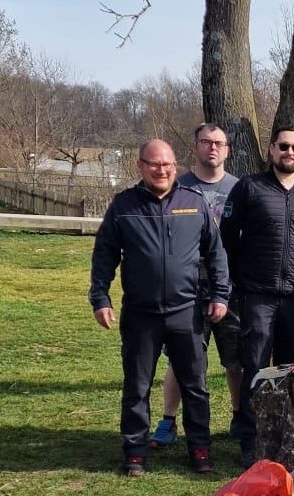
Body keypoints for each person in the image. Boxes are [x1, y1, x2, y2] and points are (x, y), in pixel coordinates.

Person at [89, 138, 229, 477]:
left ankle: (199, 450)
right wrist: (100, 298)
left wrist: (220, 295)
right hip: (140, 314)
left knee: (195, 385)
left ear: (175, 166)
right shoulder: (124, 205)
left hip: (186, 311)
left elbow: (217, 253)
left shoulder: (193, 203)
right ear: (141, 166)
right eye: (153, 164)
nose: (161, 169)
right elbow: (105, 253)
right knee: (137, 385)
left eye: (167, 164)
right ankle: (135, 452)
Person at [220, 126, 294, 468]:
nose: (290, 152)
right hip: (257, 295)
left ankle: (282, 438)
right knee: (254, 365)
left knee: (287, 369)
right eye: (284, 146)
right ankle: (251, 440)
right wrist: (240, 280)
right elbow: (226, 237)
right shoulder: (249, 188)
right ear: (271, 149)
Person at [150, 123, 241, 448]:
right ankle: (168, 420)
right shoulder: (176, 187)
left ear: (227, 149)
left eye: (218, 143)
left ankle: (238, 416)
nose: (212, 148)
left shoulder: (239, 189)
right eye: (206, 142)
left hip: (228, 287)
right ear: (196, 147)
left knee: (236, 360)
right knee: (180, 358)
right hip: (185, 290)